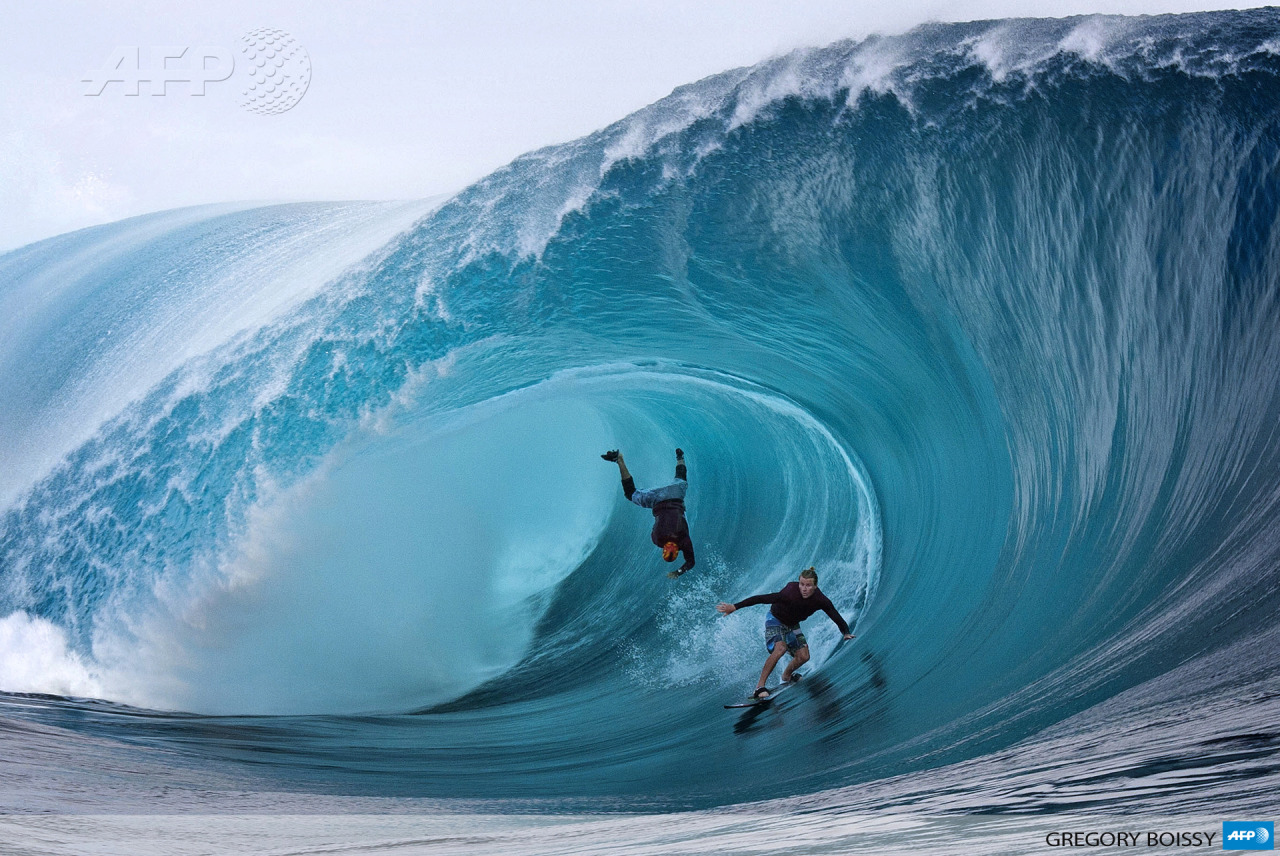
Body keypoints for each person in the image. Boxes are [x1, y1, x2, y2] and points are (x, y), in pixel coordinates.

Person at [716, 567, 854, 698]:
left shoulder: (820, 600)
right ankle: (759, 687)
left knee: (804, 656)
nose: (804, 589)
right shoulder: (789, 593)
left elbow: (834, 614)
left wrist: (845, 632)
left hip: (792, 625)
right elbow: (761, 598)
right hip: (775, 620)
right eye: (802, 584)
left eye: (808, 585)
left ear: (815, 586)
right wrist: (735, 606)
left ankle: (787, 676)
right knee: (780, 648)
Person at [602, 447, 695, 578]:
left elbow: (691, 562)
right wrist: (677, 572)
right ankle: (619, 460)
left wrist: (679, 572)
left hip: (675, 495)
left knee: (681, 478)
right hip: (655, 499)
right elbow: (690, 561)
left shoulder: (684, 540)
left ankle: (680, 457)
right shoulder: (657, 540)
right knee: (630, 493)